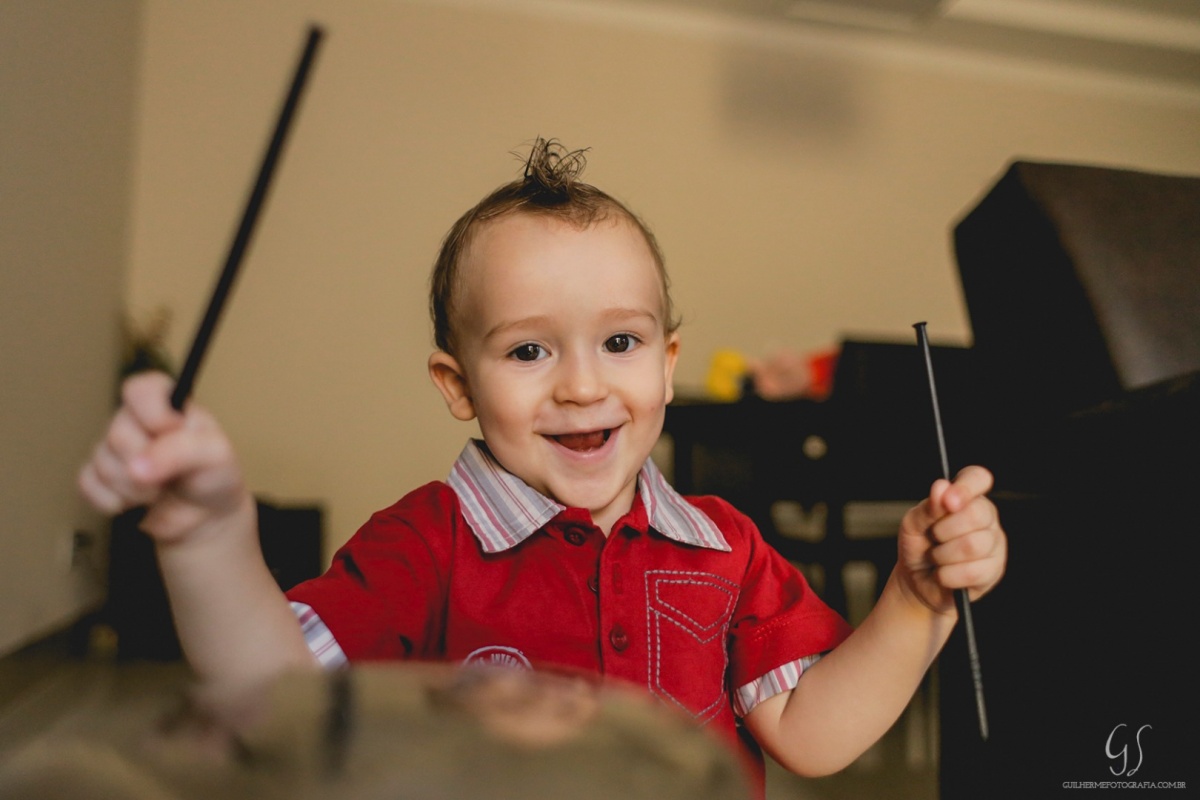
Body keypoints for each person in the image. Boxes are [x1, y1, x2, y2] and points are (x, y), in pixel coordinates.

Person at [79, 138, 1007, 793]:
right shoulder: (425, 544)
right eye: (529, 351)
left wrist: (917, 600)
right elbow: (273, 699)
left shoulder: (724, 547)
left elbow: (814, 737)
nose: (582, 385)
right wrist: (207, 536)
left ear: (668, 366)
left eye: (620, 342)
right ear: (458, 384)